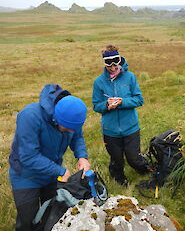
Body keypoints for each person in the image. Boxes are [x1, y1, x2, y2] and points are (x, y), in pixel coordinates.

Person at [9, 84, 91, 231]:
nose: (70, 131)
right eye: (67, 128)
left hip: (51, 175)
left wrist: (82, 157)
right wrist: (60, 171)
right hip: (26, 176)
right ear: (56, 118)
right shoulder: (29, 116)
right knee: (28, 221)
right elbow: (28, 156)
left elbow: (77, 137)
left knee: (52, 213)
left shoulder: (71, 114)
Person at [92, 45, 149, 186]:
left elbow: (139, 99)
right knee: (116, 159)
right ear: (104, 63)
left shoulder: (130, 77)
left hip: (130, 127)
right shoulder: (99, 82)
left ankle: (145, 170)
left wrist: (122, 102)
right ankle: (119, 180)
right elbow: (96, 106)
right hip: (110, 131)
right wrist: (106, 105)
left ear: (119, 60)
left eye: (115, 63)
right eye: (108, 64)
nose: (112, 68)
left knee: (133, 158)